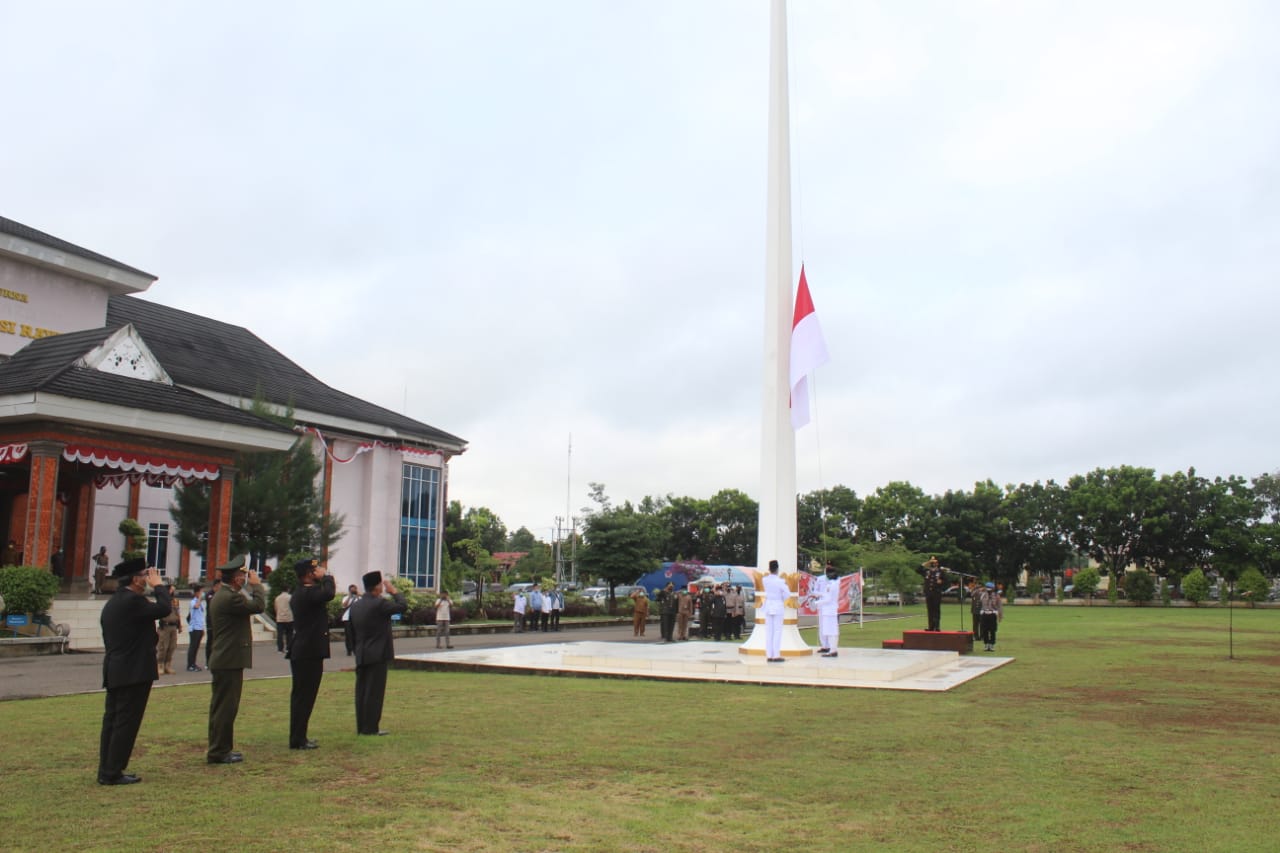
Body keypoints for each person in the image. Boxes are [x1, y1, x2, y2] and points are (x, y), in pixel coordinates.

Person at [97, 558, 171, 785]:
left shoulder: (116, 601)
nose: (148, 579)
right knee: (125, 723)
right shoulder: (132, 601)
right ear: (137, 580)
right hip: (133, 671)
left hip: (117, 669)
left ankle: (107, 769)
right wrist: (160, 586)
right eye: (145, 575)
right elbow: (164, 608)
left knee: (112, 721)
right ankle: (113, 771)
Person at [206, 555, 266, 764]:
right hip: (228, 659)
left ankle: (220, 748)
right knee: (226, 708)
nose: (245, 578)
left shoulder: (223, 594)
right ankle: (219, 751)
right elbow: (258, 606)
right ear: (236, 579)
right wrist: (257, 586)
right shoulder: (231, 597)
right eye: (242, 575)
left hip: (225, 658)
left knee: (221, 707)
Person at [350, 571, 407, 736]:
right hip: (377, 653)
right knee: (374, 692)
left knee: (361, 691)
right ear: (377, 586)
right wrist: (395, 592)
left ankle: (361, 725)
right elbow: (402, 606)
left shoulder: (356, 605)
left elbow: (351, 631)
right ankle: (370, 727)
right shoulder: (379, 604)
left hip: (361, 652)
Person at [288, 556, 335, 750]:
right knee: (304, 697)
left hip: (304, 651)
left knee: (302, 696)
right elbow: (329, 593)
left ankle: (299, 736)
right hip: (308, 652)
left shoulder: (301, 593)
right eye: (315, 570)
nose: (319, 572)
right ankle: (298, 739)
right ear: (309, 574)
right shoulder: (307, 593)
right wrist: (327, 576)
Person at [762, 559, 788, 662]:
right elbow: (787, 593)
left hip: (768, 605)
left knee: (769, 631)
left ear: (769, 569)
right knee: (777, 631)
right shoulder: (780, 581)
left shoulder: (765, 580)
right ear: (777, 569)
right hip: (777, 605)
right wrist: (781, 598)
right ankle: (776, 655)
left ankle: (769, 655)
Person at [814, 563, 840, 657]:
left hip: (828, 610)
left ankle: (832, 650)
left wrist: (816, 603)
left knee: (830, 631)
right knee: (832, 630)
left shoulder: (830, 585)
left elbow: (828, 599)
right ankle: (832, 649)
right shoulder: (835, 584)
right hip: (831, 610)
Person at [155, 584, 182, 675]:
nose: (172, 592)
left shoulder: (175, 601)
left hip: (173, 626)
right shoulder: (162, 601)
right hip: (165, 626)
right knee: (163, 647)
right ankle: (160, 665)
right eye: (171, 590)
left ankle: (168, 665)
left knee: (172, 646)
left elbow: (178, 613)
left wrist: (180, 625)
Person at [919, 556, 946, 632]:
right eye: (932, 562)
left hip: (936, 593)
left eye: (934, 562)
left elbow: (945, 580)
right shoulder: (927, 571)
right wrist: (927, 562)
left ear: (937, 563)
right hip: (928, 593)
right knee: (930, 610)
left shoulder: (940, 571)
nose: (933, 563)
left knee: (936, 610)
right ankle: (931, 627)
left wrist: (941, 582)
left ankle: (937, 627)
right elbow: (918, 569)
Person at [977, 581, 1003, 651]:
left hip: (992, 614)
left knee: (992, 630)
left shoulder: (996, 595)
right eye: (987, 587)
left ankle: (991, 645)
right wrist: (979, 589)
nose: (989, 589)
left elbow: (999, 606)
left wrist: (1000, 616)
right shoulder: (982, 594)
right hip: (984, 614)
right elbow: (973, 595)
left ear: (993, 588)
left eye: (990, 588)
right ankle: (986, 644)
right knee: (984, 630)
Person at [186, 584, 206, 672]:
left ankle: (193, 663)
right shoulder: (193, 602)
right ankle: (190, 665)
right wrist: (200, 597)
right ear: (197, 592)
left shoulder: (201, 603)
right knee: (193, 647)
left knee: (196, 647)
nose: (203, 593)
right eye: (201, 591)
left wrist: (202, 628)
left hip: (199, 627)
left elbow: (201, 616)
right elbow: (196, 606)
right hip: (194, 628)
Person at [274, 586, 294, 654]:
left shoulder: (277, 598)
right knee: (289, 634)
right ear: (288, 589)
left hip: (280, 618)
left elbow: (276, 608)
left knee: (280, 635)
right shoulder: (290, 597)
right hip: (289, 618)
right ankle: (289, 648)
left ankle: (280, 649)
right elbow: (293, 607)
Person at [341, 584, 360, 655]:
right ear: (349, 590)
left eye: (354, 590)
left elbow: (361, 605)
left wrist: (357, 596)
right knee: (348, 635)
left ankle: (355, 649)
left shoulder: (359, 598)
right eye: (352, 590)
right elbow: (344, 605)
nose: (353, 591)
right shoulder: (345, 598)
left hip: (356, 618)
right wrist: (349, 597)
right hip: (347, 618)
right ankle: (349, 650)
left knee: (356, 634)